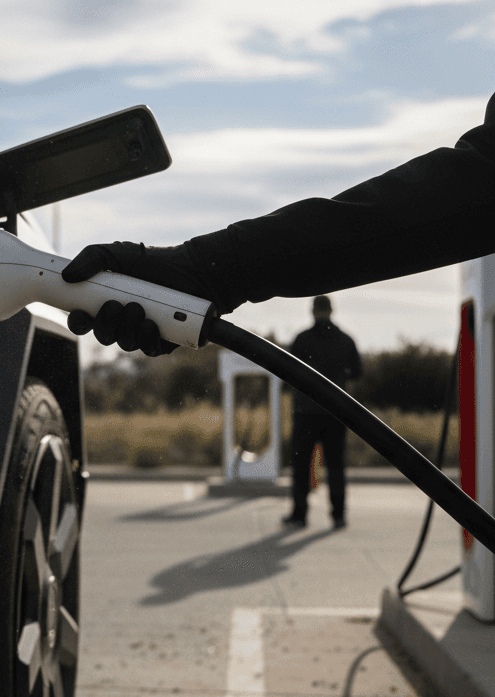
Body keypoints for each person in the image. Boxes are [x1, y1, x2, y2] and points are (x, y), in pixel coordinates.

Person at [61, 93, 495, 358]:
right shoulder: (342, 341)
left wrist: (211, 269)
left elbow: (474, 186)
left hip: (308, 417)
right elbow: (473, 187)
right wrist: (207, 270)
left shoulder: (307, 338)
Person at [282, 295, 361, 530]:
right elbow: (357, 371)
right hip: (336, 411)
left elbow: (287, 371)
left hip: (305, 411)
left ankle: (299, 514)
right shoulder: (345, 340)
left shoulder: (302, 339)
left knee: (301, 465)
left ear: (312, 310)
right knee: (336, 465)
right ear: (332, 310)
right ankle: (338, 515)